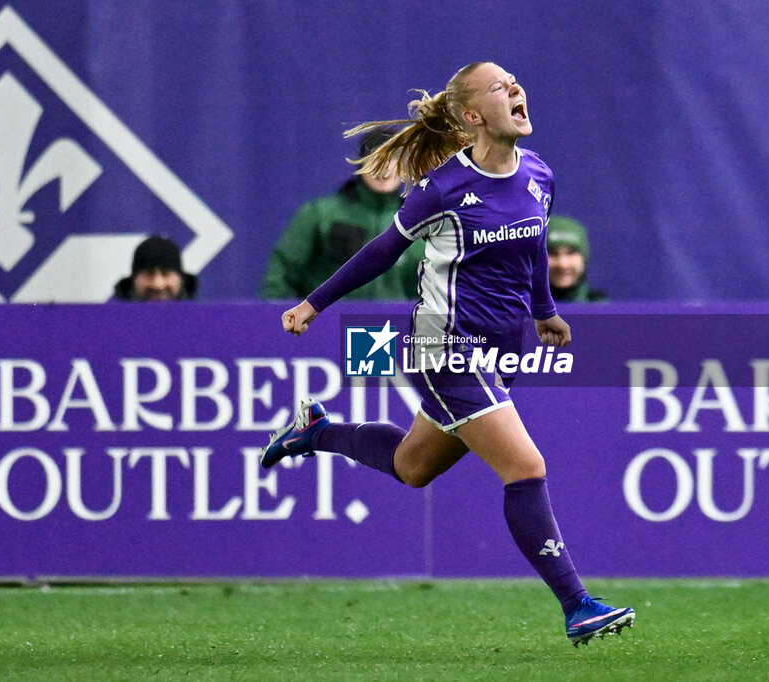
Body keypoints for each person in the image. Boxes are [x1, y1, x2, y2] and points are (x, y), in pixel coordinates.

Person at [260, 62, 634, 645]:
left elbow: (533, 252)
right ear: (470, 114)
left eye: (515, 81)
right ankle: (578, 604)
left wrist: (544, 311)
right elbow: (382, 252)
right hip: (443, 347)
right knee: (526, 467)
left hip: (499, 352)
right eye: (498, 86)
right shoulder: (444, 188)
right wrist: (314, 303)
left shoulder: (539, 174)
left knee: (413, 467)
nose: (515, 88)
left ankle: (316, 432)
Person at [260, 128, 426, 300]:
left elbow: (437, 290)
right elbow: (281, 272)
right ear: (360, 164)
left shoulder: (420, 225)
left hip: (396, 325)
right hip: (328, 324)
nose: (383, 168)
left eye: (393, 158)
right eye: (374, 158)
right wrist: (272, 322)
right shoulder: (320, 214)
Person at [113, 236, 197, 301]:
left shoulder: (205, 320)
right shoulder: (112, 320)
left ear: (181, 279)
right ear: (134, 280)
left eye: (166, 274)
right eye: (148, 274)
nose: (158, 284)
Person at [546, 216, 607, 302]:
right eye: (552, 253)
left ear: (584, 258)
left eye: (570, 253)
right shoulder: (523, 310)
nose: (562, 264)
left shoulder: (601, 309)